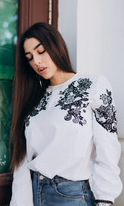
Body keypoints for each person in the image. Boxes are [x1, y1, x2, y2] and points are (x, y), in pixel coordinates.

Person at [9, 22, 122, 206]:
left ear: (56, 47)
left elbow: (107, 150)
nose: (36, 61)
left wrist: (105, 200)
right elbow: (22, 160)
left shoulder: (94, 86)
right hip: (35, 192)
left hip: (72, 196)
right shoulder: (33, 99)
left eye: (41, 51)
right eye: (29, 57)